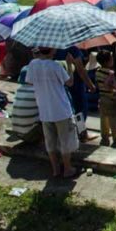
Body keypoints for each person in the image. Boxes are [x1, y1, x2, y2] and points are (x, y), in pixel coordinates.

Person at [26, 47, 79, 178]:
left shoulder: (33, 64)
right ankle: (67, 168)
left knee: (50, 141)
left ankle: (55, 169)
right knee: (65, 140)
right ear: (52, 51)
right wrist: (69, 64)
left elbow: (29, 80)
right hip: (61, 109)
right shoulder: (55, 66)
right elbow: (70, 83)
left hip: (44, 109)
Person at [94, 50, 116, 147]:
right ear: (107, 61)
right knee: (113, 119)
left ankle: (105, 137)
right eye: (111, 58)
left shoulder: (97, 71)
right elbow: (114, 86)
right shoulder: (111, 73)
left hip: (102, 98)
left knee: (103, 119)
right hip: (111, 98)